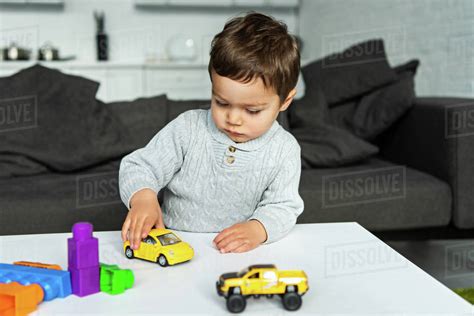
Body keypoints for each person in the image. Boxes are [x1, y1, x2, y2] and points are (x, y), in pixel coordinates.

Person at [119, 12, 304, 254]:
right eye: (222, 103)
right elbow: (139, 166)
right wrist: (143, 197)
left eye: (252, 110)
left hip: (237, 255)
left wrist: (258, 229)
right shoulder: (187, 129)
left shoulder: (285, 149)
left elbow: (283, 206)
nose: (233, 119)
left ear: (285, 100)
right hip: (175, 247)